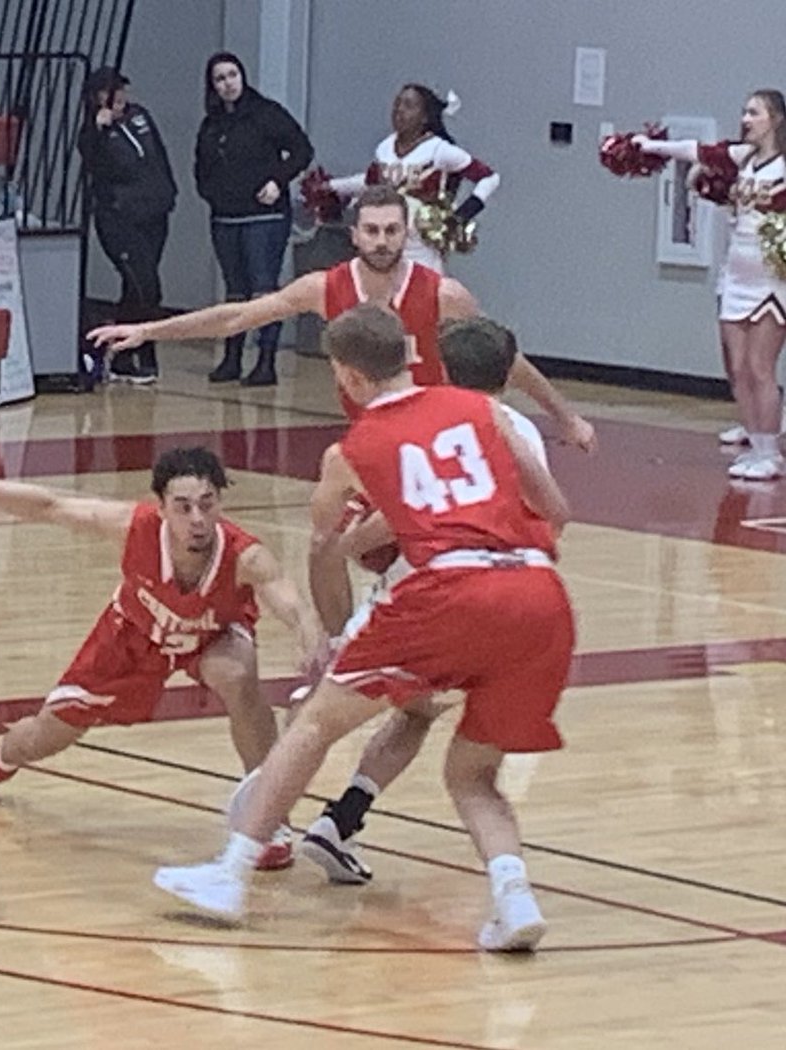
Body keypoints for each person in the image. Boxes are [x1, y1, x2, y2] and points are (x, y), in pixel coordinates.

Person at [153, 305, 575, 953]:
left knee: (319, 722)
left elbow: (329, 536)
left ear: (346, 376)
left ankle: (231, 875)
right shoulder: (482, 411)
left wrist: (364, 537)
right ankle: (514, 897)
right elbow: (555, 508)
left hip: (447, 589)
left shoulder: (350, 450)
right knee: (471, 774)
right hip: (537, 593)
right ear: (410, 354)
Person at [90, 183, 593, 635]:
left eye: (392, 230)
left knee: (403, 551)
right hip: (376, 451)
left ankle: (435, 634)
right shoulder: (325, 288)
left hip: (431, 449)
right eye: (372, 230)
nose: (382, 240)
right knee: (323, 543)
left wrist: (563, 415)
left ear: (407, 233)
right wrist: (148, 330)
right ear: (354, 234)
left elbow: (504, 357)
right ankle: (340, 646)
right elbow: (237, 317)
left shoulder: (443, 294)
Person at [0, 447, 325, 870]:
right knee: (44, 737)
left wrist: (311, 641)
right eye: (183, 507)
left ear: (220, 502)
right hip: (132, 637)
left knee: (237, 674)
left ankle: (268, 818)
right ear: (161, 508)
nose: (197, 519)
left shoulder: (245, 555)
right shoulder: (133, 527)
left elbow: (293, 603)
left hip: (208, 635)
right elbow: (49, 505)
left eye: (207, 504)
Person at [301, 316, 551, 885]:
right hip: (496, 597)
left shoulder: (430, 419)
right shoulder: (520, 432)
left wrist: (352, 543)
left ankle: (269, 827)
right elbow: (543, 512)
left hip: (426, 592)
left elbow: (404, 514)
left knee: (330, 711)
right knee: (419, 720)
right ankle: (334, 821)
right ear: (508, 373)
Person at [635, 90, 786, 479]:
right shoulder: (745, 158)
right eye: (744, 112)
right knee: (737, 367)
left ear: (776, 119)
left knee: (760, 367)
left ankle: (770, 453)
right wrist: (651, 145)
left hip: (772, 279)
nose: (746, 119)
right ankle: (755, 443)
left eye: (754, 112)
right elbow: (697, 151)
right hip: (736, 274)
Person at [195, 51, 314, 387]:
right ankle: (232, 357)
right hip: (225, 217)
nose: (228, 83)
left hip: (265, 216)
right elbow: (201, 166)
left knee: (263, 286)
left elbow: (301, 149)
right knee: (235, 290)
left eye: (232, 75)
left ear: (242, 76)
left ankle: (265, 361)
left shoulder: (267, 114)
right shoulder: (212, 124)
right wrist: (211, 193)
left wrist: (278, 180)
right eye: (220, 78)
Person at [326, 84, 500, 273]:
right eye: (397, 104)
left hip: (420, 246)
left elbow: (489, 178)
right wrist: (330, 186)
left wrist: (461, 215)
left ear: (424, 117)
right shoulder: (384, 148)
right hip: (384, 244)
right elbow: (370, 183)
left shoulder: (438, 150)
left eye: (408, 106)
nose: (399, 110)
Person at [78, 66, 177, 384]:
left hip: (154, 214)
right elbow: (92, 162)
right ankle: (146, 352)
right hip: (120, 219)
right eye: (110, 93)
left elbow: (157, 156)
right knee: (146, 285)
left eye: (121, 90)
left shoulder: (140, 116)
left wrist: (168, 192)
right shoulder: (92, 133)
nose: (119, 97)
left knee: (136, 289)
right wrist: (98, 130)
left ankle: (119, 353)